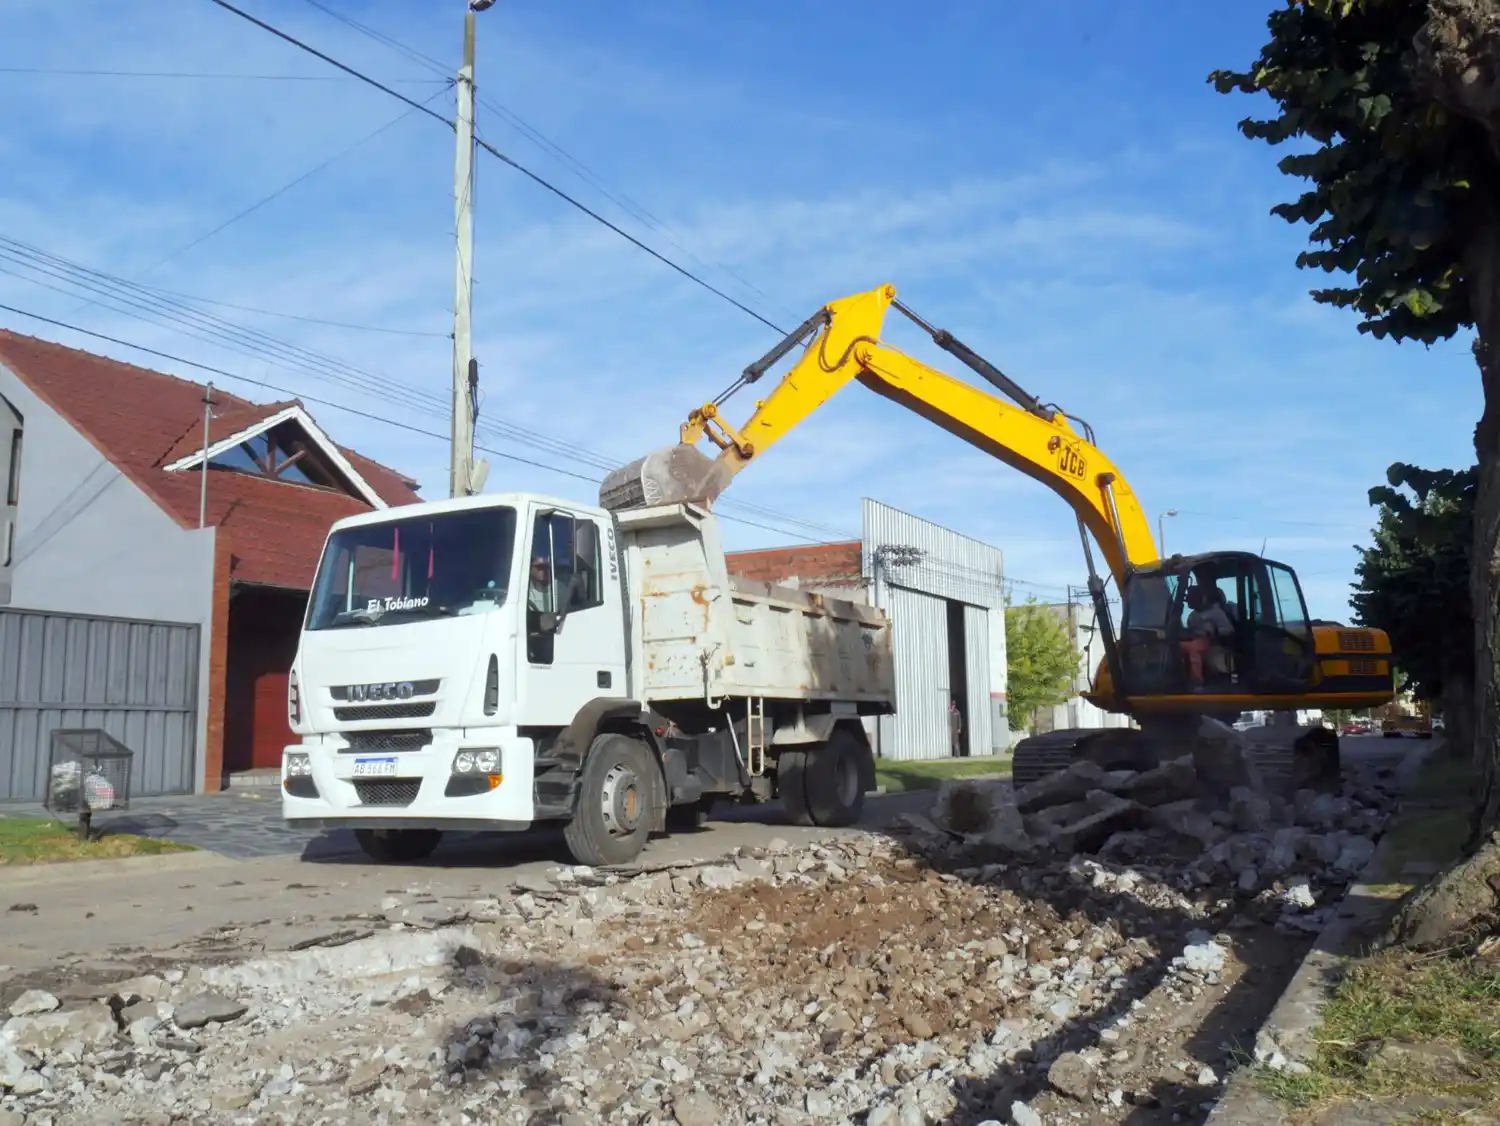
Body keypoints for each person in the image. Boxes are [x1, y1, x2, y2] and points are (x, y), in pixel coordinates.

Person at [1179, 586, 1234, 685]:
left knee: (1194, 649)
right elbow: (1190, 629)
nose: (1189, 602)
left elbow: (1228, 629)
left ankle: (1197, 682)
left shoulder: (1216, 612)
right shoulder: (1193, 615)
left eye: (1192, 599)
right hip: (1194, 639)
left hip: (1210, 641)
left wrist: (1214, 633)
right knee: (1176, 646)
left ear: (1202, 598)